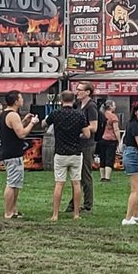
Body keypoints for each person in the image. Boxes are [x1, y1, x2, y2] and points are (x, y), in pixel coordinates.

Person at [43, 90, 89, 221]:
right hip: (75, 153)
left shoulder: (56, 114)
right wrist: (77, 135)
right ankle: (76, 214)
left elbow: (44, 124)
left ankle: (55, 215)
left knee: (59, 184)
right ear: (74, 100)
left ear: (61, 100)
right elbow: (87, 134)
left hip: (60, 153)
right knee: (76, 183)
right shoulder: (79, 115)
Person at [0, 90, 39, 219]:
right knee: (12, 183)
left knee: (16, 183)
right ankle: (8, 212)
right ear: (16, 101)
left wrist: (25, 121)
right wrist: (32, 123)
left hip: (10, 151)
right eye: (21, 98)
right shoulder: (13, 115)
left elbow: (15, 129)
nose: (22, 100)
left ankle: (13, 209)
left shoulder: (6, 114)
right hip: (13, 153)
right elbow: (21, 134)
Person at [65, 82, 100, 215]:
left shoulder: (91, 107)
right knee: (76, 175)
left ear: (88, 92)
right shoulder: (78, 105)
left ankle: (88, 205)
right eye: (77, 89)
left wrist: (80, 129)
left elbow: (94, 127)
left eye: (80, 90)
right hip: (78, 143)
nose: (77, 92)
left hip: (87, 144)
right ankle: (74, 202)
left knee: (85, 174)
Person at [98, 101, 120, 182]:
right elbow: (116, 130)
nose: (115, 107)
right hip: (111, 139)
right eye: (114, 105)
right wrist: (119, 140)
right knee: (109, 158)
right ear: (110, 106)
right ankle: (107, 177)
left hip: (101, 139)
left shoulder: (101, 114)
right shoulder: (113, 116)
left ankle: (102, 176)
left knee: (102, 158)